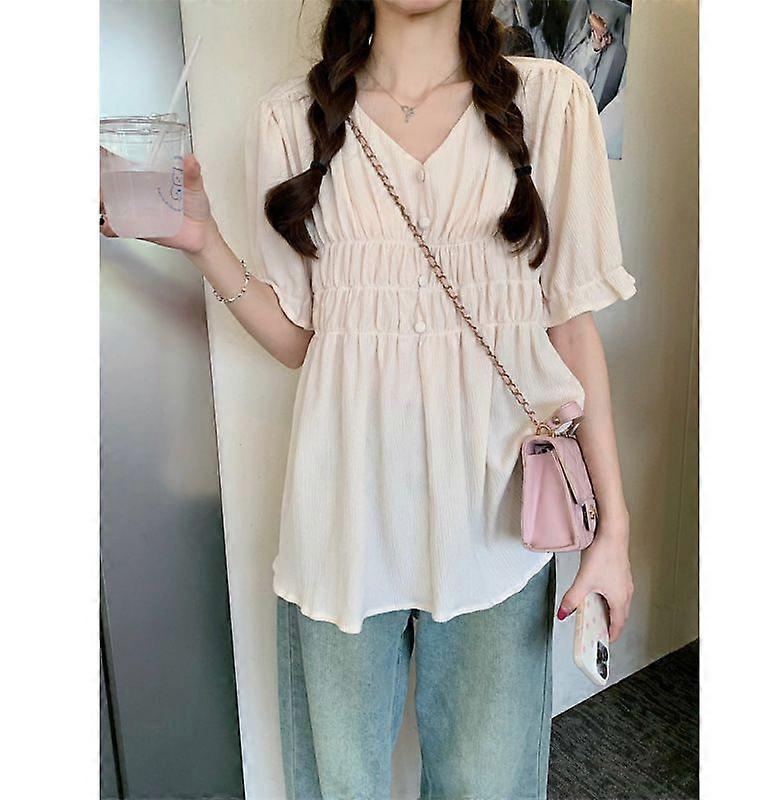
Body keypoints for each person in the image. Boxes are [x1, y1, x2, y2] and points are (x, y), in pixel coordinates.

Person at [101, 1, 636, 797]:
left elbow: (572, 329)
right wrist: (202, 240)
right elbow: (302, 339)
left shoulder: (551, 105)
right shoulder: (291, 121)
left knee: (488, 786)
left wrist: (612, 534)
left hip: (497, 530)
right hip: (341, 524)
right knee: (338, 786)